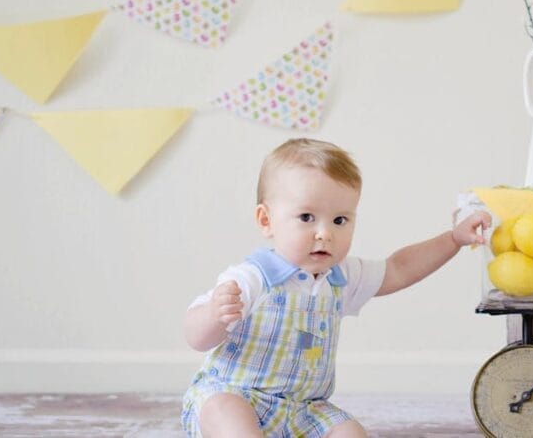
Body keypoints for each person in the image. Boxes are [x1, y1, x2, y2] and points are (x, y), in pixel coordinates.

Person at [181, 138, 490, 437]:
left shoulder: (341, 276)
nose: (324, 233)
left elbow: (400, 268)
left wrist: (453, 240)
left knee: (350, 431)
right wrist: (213, 315)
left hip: (304, 410)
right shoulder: (253, 277)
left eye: (340, 220)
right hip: (238, 396)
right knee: (226, 411)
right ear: (266, 220)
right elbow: (196, 337)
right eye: (306, 217)